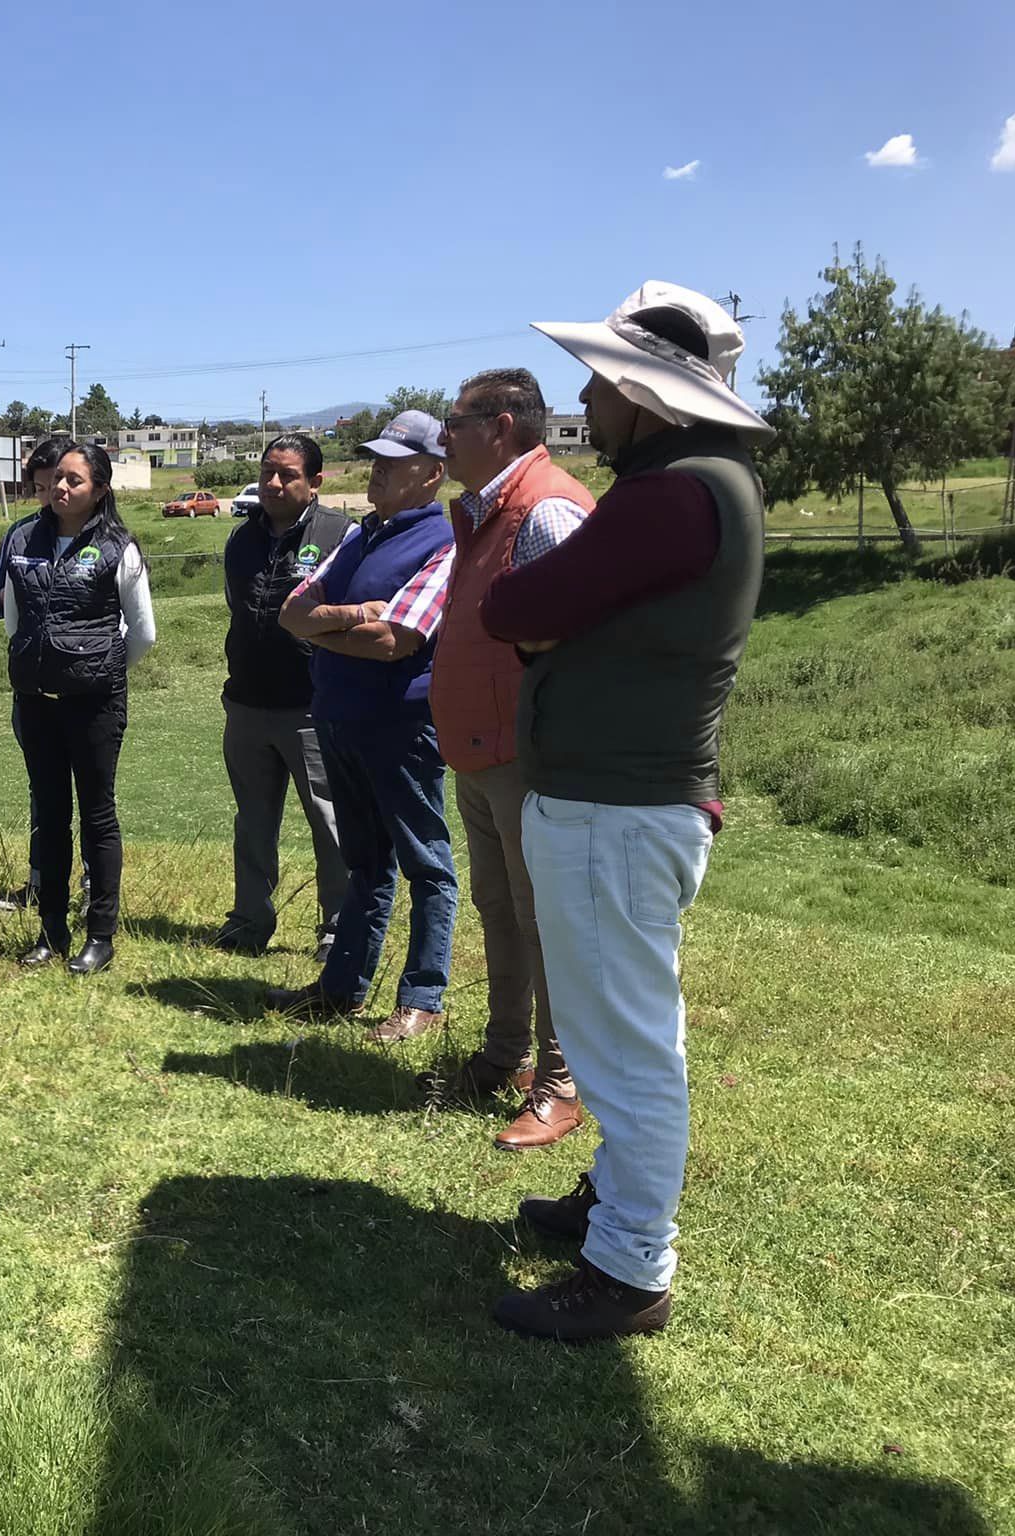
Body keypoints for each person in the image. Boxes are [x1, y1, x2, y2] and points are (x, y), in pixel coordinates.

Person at [483, 282, 773, 1340]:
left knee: (626, 1048)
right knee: (620, 1032)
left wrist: (543, 624)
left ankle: (628, 1272)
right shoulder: (704, 486)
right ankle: (613, 1206)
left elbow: (518, 606)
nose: (585, 401)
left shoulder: (671, 494)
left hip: (615, 808)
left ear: (643, 394)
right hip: (626, 802)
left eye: (600, 383)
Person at [375, 371, 597, 1152]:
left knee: (546, 926)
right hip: (480, 752)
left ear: (500, 427)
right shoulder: (485, 513)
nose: (444, 437)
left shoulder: (544, 510)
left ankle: (560, 1084)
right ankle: (507, 1056)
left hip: (527, 758)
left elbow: (579, 647)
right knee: (501, 911)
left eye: (456, 423)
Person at [270, 410, 457, 1040]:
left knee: (425, 862)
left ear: (431, 475)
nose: (376, 470)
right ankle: (342, 988)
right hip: (340, 718)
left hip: (401, 727)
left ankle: (422, 1000)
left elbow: (393, 641)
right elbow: (292, 616)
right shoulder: (362, 534)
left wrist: (334, 627)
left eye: (392, 462)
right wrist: (355, 612)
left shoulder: (444, 544)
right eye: (374, 458)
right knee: (367, 864)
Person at [0, 441, 156, 974]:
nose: (61, 488)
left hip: (95, 706)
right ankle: (50, 932)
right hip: (37, 703)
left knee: (97, 816)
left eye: (75, 481)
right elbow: (13, 621)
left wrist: (100, 673)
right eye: (57, 479)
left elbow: (143, 633)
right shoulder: (21, 538)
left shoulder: (118, 547)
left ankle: (101, 936)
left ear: (101, 490)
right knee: (49, 817)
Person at [213, 432, 351, 963]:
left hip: (313, 707)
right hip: (247, 704)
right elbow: (236, 607)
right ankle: (249, 920)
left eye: (287, 474)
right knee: (252, 821)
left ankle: (338, 928)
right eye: (268, 471)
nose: (272, 482)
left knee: (330, 822)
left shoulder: (341, 535)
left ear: (315, 481)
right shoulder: (241, 540)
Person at [0, 434, 71, 912]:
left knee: (96, 796)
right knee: (44, 789)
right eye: (39, 488)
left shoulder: (107, 538)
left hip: (90, 689)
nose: (49, 497)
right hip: (33, 687)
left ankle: (91, 885)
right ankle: (41, 882)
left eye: (57, 483)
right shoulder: (21, 536)